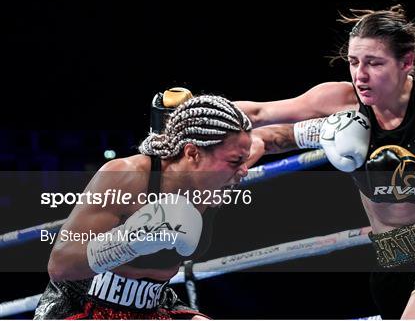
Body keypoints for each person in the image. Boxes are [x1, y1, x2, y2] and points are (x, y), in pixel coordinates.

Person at [236, 5, 415, 319]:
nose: (360, 75)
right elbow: (263, 116)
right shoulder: (343, 103)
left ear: (407, 62)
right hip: (388, 262)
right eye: (354, 62)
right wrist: (211, 118)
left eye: (374, 63)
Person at [34, 93, 252, 319]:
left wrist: (293, 130)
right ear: (193, 153)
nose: (244, 170)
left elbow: (270, 136)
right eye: (236, 161)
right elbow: (60, 266)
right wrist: (132, 240)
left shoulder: (225, 169)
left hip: (153, 304)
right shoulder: (126, 176)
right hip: (84, 303)